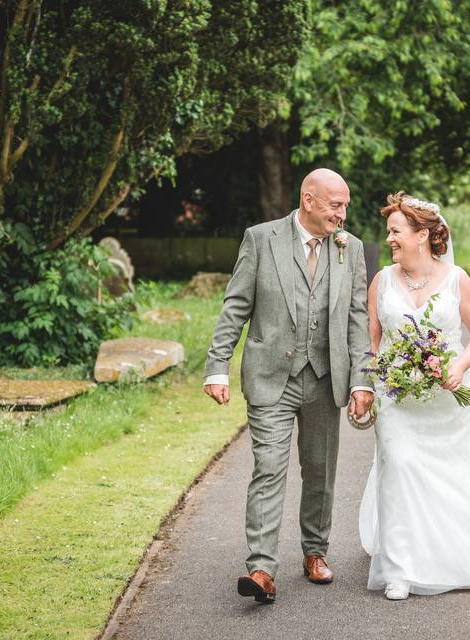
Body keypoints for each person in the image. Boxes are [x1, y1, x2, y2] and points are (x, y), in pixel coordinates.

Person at [203, 168, 374, 604]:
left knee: (320, 470)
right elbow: (236, 305)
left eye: (346, 204)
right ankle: (261, 568)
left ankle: (315, 552)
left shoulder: (349, 249)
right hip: (270, 378)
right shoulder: (261, 239)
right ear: (309, 200)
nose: (343, 212)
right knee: (269, 468)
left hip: (323, 378)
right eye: (336, 204)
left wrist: (361, 380)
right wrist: (217, 365)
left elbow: (357, 321)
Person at [359, 192, 470, 600]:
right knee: (398, 465)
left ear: (421, 235)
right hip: (396, 398)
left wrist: (458, 366)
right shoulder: (382, 280)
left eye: (396, 232)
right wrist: (366, 384)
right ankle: (400, 568)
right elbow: (371, 340)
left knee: (452, 474)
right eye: (389, 233)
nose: (390, 239)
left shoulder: (456, 279)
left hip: (445, 398)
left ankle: (456, 550)